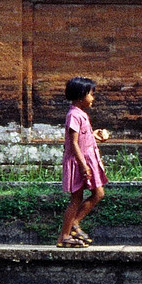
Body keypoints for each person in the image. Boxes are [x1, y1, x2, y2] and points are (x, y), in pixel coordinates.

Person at [57, 77, 109, 247]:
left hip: (88, 159)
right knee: (76, 198)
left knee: (98, 193)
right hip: (79, 161)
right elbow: (72, 143)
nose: (93, 98)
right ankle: (64, 236)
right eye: (91, 94)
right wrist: (83, 165)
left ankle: (74, 224)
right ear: (81, 96)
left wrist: (95, 135)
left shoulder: (81, 114)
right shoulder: (73, 115)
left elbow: (82, 137)